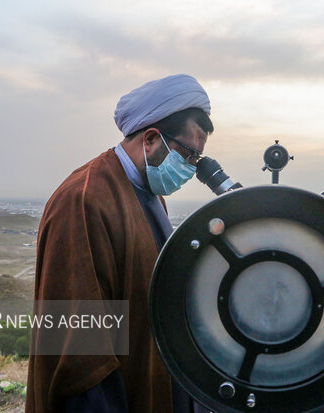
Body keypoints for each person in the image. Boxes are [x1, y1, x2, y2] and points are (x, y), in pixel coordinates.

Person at [26, 74, 214, 413]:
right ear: (152, 138)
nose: (189, 168)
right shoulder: (84, 200)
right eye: (187, 154)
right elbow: (81, 353)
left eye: (196, 160)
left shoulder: (147, 193)